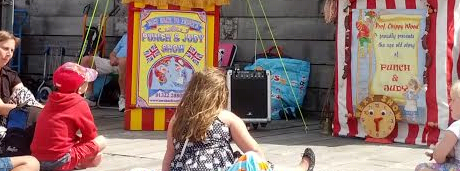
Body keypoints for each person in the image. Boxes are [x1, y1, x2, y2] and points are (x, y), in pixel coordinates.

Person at [161, 67, 315, 171]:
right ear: (220, 94)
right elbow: (254, 151)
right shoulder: (225, 118)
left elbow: (170, 154)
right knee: (250, 159)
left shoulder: (177, 118)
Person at [30, 62, 107, 171]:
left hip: (37, 160)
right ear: (80, 88)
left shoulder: (51, 100)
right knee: (101, 142)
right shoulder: (79, 102)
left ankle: (74, 162)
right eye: (86, 82)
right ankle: (76, 164)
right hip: (59, 162)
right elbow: (90, 135)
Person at [80, 33, 127, 111]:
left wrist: (122, 60)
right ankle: (90, 96)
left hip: (129, 64)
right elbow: (113, 53)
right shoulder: (125, 36)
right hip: (115, 62)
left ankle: (123, 98)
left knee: (123, 61)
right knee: (86, 60)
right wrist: (112, 58)